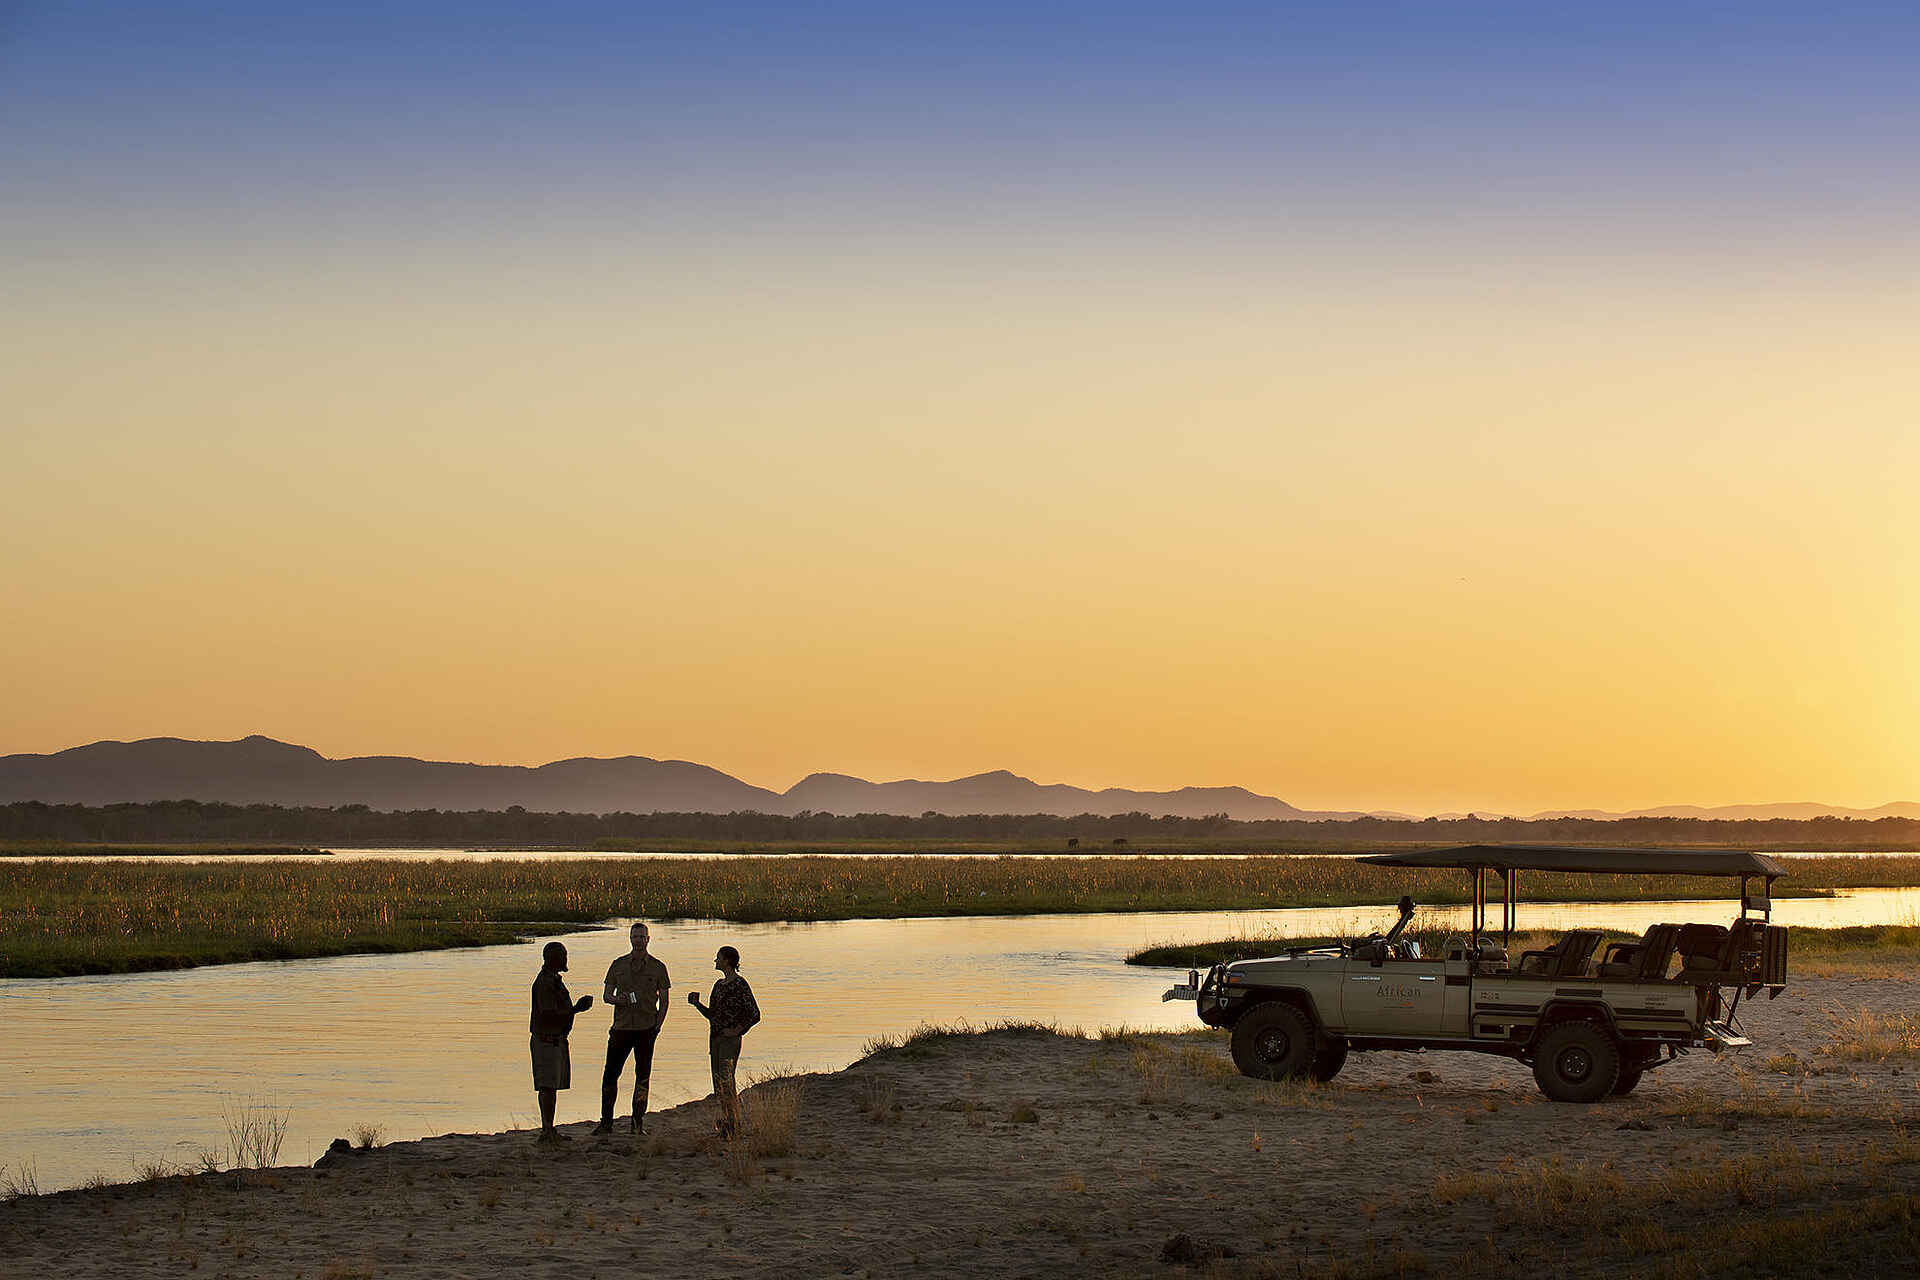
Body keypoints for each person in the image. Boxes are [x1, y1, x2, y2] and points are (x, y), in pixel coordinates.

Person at [595, 921, 671, 1135]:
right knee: (610, 1075)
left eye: (641, 937)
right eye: (635, 937)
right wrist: (617, 999)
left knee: (643, 1076)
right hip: (621, 1028)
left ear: (648, 939)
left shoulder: (658, 967)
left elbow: (665, 1001)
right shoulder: (618, 965)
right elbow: (606, 995)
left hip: (646, 1029)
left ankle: (637, 1123)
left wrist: (657, 1027)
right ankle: (606, 1123)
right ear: (630, 939)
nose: (638, 941)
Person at [688, 944, 761, 1138]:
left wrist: (737, 1030)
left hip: (730, 1041)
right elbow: (713, 1016)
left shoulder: (740, 984)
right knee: (718, 1083)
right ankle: (728, 1121)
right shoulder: (718, 985)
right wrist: (697, 1005)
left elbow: (754, 1014)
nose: (715, 960)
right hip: (715, 1040)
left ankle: (733, 1123)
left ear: (727, 961)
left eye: (718, 957)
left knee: (727, 1081)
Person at [529, 941, 593, 1143]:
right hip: (546, 1041)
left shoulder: (553, 980)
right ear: (552, 958)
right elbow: (548, 1014)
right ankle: (547, 1131)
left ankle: (549, 1129)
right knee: (547, 1086)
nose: (566, 959)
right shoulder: (544, 983)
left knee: (552, 1086)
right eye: (562, 955)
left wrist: (574, 1010)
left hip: (555, 1040)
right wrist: (576, 1009)